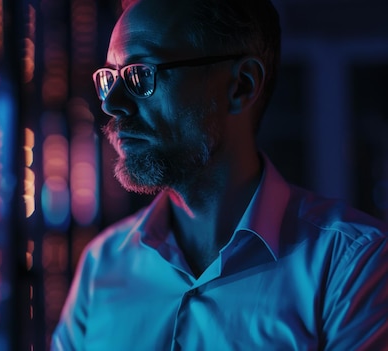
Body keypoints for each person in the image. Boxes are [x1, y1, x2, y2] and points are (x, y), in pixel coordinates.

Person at [51, 0, 388, 349]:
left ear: (241, 85)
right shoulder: (101, 265)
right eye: (110, 78)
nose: (111, 104)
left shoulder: (353, 264)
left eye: (140, 74)